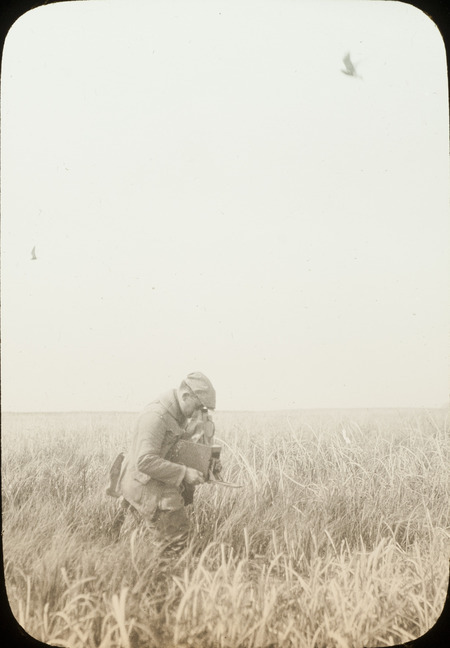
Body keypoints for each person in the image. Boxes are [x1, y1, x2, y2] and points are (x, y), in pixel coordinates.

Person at [110, 372, 216, 549]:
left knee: (144, 541)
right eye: (199, 407)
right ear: (186, 396)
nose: (200, 414)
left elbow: (177, 449)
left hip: (154, 478)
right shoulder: (156, 416)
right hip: (143, 482)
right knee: (178, 540)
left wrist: (207, 466)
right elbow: (144, 461)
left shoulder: (180, 414)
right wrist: (184, 473)